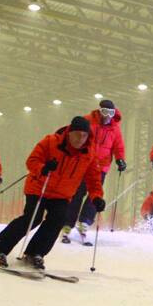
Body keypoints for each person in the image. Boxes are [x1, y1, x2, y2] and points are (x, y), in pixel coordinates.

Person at [0, 117, 105, 270]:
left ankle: (35, 253)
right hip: (39, 187)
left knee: (57, 221)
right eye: (77, 134)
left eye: (84, 135)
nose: (81, 139)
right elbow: (32, 161)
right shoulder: (51, 142)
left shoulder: (89, 154)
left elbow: (93, 179)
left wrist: (96, 197)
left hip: (62, 194)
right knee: (32, 218)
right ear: (70, 132)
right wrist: (43, 168)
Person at [62, 100, 125, 243]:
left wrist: (120, 159)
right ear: (99, 110)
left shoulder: (115, 128)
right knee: (77, 193)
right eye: (105, 112)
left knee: (95, 194)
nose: (108, 116)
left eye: (111, 113)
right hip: (84, 163)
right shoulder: (88, 121)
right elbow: (75, 136)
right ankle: (67, 223)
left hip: (101, 167)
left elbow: (118, 146)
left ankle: (85, 222)